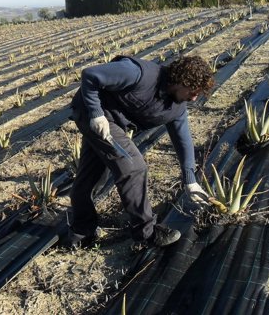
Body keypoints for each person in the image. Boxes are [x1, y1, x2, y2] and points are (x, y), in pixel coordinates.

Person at [66, 55, 214, 249]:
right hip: (93, 113)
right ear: (180, 81)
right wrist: (96, 113)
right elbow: (91, 75)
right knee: (133, 166)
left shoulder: (176, 107)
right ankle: (147, 233)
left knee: (92, 174)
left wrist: (190, 180)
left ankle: (80, 232)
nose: (194, 98)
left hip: (114, 122)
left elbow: (183, 140)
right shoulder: (138, 73)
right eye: (193, 91)